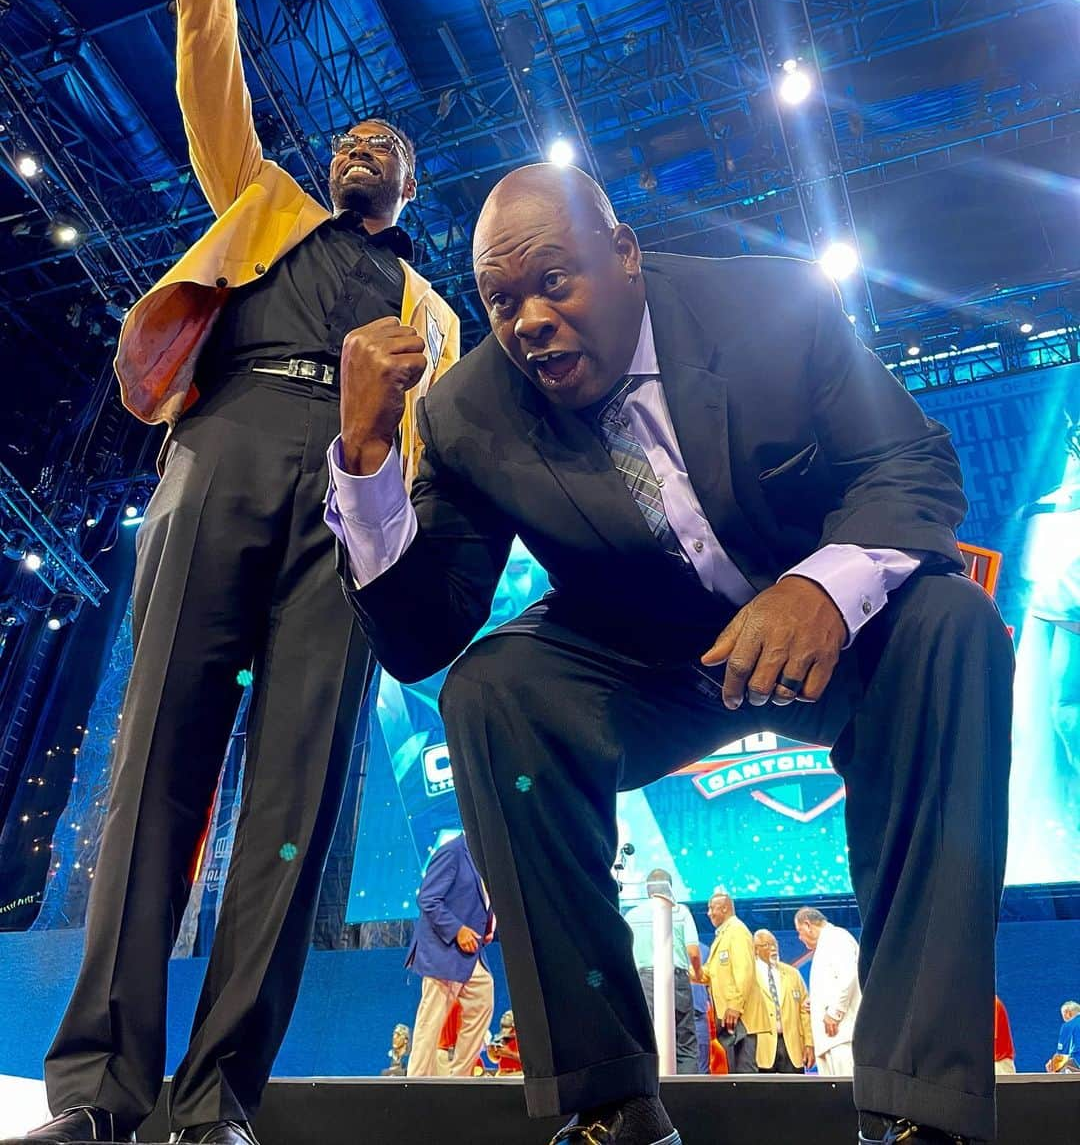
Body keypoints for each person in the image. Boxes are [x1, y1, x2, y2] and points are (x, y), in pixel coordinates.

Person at [328, 162, 1014, 1145]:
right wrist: (363, 459)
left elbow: (912, 464)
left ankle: (921, 1113)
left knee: (958, 629)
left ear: (625, 257)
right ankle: (609, 1101)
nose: (528, 321)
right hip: (648, 662)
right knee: (491, 692)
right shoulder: (469, 412)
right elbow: (421, 635)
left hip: (839, 633)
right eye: (501, 300)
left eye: (554, 281)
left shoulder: (771, 304)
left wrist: (820, 586)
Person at [16, 0, 458, 1145]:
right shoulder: (260, 199)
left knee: (298, 794)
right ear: (328, 164)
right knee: (155, 757)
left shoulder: (436, 308)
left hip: (352, 483)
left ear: (410, 184)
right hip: (221, 448)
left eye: (390, 141)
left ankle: (216, 1107)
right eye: (352, 132)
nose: (364, 140)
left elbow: (457, 448)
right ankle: (99, 1092)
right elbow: (212, 70)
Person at [406, 833, 495, 1079]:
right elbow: (428, 898)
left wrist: (489, 923)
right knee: (432, 1018)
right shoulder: (452, 851)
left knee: (483, 1000)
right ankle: (417, 1082)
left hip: (471, 952)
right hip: (443, 951)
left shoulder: (485, 855)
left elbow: (481, 896)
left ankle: (460, 1078)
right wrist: (457, 930)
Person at [622, 869, 703, 1075]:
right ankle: (688, 1098)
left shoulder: (631, 915)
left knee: (648, 1040)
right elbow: (693, 951)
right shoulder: (680, 911)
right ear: (670, 887)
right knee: (685, 1039)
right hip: (677, 980)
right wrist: (698, 974)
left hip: (644, 981)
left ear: (647, 889)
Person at [702, 889, 770, 1074]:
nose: (708, 913)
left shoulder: (738, 931)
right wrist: (686, 971)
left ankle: (751, 1104)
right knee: (735, 1072)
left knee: (744, 1072)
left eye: (711, 908)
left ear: (724, 908)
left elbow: (744, 971)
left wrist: (735, 1005)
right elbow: (709, 972)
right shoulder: (723, 936)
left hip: (740, 1018)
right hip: (729, 1018)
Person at [796, 908, 862, 1079]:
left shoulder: (837, 937)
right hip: (830, 1041)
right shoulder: (825, 944)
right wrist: (816, 1003)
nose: (799, 937)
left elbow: (849, 975)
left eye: (799, 931)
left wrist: (835, 1012)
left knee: (846, 1095)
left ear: (808, 925)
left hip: (842, 1038)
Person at [753, 929, 814, 1074]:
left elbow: (804, 1010)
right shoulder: (750, 976)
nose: (773, 948)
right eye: (767, 945)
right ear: (755, 950)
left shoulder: (793, 974)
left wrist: (809, 1043)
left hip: (792, 1047)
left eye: (775, 944)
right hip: (762, 1048)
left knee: (795, 1094)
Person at [1047, 1000, 1080, 1073]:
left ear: (1068, 1013)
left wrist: (1053, 1067)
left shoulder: (1068, 1025)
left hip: (1078, 1062)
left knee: (1060, 1071)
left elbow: (1061, 1055)